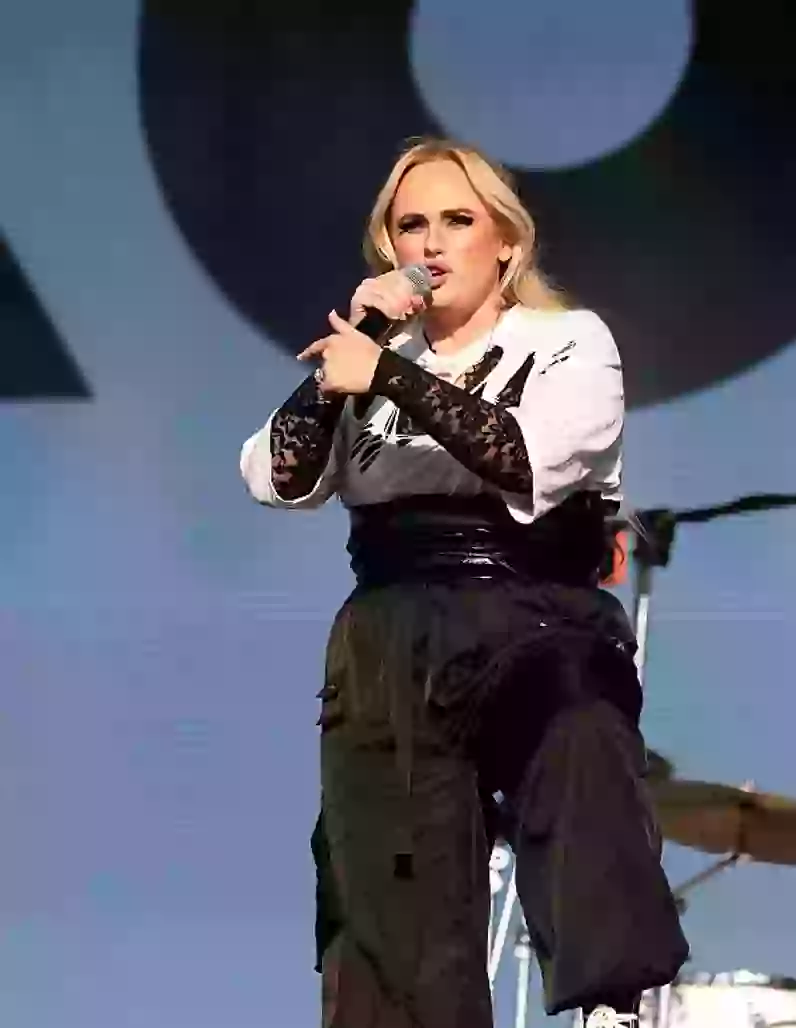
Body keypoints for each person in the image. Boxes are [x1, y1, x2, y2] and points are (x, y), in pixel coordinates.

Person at [240, 137, 689, 1028]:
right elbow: (276, 476)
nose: (433, 243)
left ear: (506, 243)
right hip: (391, 630)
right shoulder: (367, 358)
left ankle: (610, 1004)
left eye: (457, 220)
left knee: (577, 727)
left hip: (534, 609)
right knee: (389, 908)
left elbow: (526, 456)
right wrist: (358, 354)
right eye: (412, 225)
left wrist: (390, 374)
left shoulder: (566, 341)